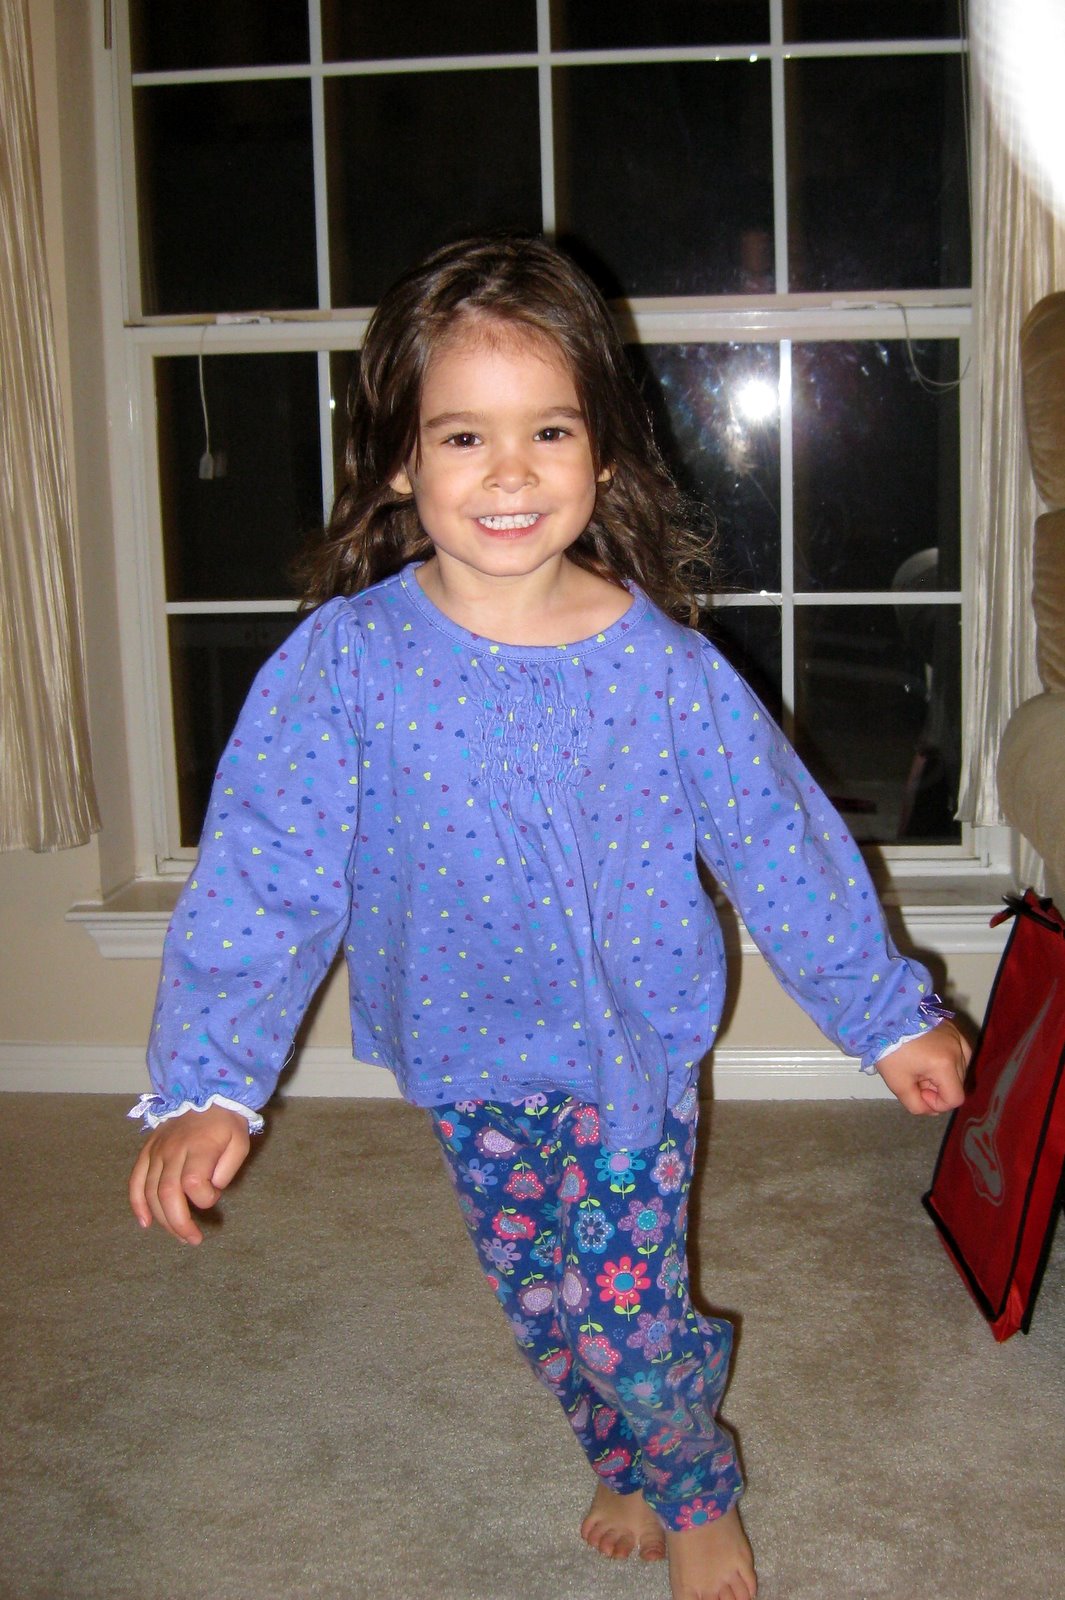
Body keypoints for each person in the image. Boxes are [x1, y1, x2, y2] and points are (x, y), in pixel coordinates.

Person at [128, 235, 970, 1600]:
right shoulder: (346, 662)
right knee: (543, 1309)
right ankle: (621, 1450)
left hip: (627, 1050)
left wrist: (887, 1017)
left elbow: (782, 846)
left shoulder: (667, 672)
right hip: (466, 1054)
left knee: (622, 1309)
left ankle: (694, 1488)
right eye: (464, 435)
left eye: (549, 431)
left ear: (605, 456)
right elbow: (265, 875)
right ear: (399, 463)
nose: (509, 471)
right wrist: (208, 1082)